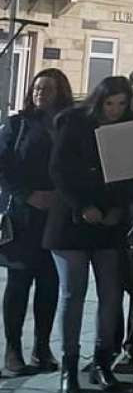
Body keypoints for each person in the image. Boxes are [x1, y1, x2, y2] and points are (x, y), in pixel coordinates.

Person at [46, 75, 133, 393]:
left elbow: (132, 173)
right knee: (72, 293)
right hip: (73, 220)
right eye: (109, 104)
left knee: (111, 294)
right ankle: (69, 366)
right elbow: (59, 169)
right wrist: (83, 206)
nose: (114, 110)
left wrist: (118, 208)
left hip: (109, 221)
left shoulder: (130, 127)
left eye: (120, 104)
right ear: (98, 101)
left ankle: (102, 362)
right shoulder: (74, 122)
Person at [0, 69, 73, 375]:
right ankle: (12, 350)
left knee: (49, 283)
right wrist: (27, 194)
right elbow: (3, 166)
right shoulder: (17, 125)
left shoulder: (70, 125)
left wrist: (63, 195)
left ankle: (42, 348)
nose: (41, 92)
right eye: (37, 87)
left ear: (61, 92)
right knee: (18, 282)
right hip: (23, 215)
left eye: (49, 88)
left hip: (57, 216)